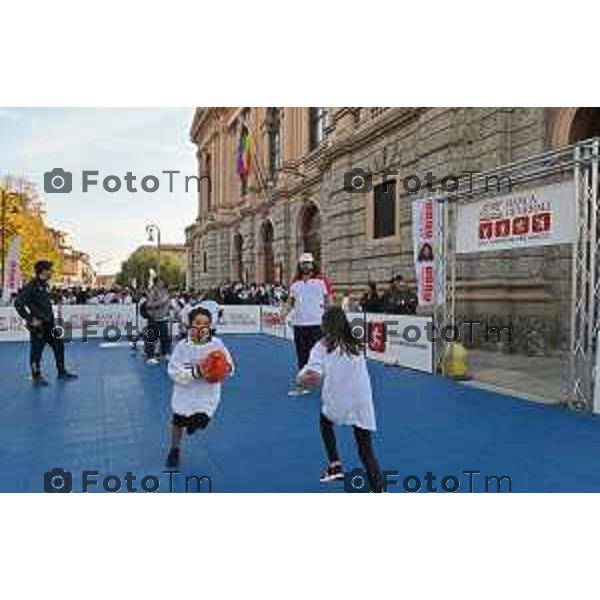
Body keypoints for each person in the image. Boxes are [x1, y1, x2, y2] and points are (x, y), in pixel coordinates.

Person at [297, 306, 383, 492]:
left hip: (339, 400)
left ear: (325, 325)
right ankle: (380, 490)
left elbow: (313, 375)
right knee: (365, 450)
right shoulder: (355, 343)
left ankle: (335, 464)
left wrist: (300, 378)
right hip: (362, 401)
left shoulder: (322, 346)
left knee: (325, 421)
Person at [165, 306, 235, 467]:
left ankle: (193, 423)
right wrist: (197, 371)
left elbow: (230, 364)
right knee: (178, 421)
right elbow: (174, 371)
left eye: (206, 323)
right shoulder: (182, 346)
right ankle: (174, 449)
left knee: (201, 422)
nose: (202, 327)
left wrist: (223, 368)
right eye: (197, 322)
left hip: (207, 393)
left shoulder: (217, 344)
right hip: (185, 392)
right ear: (190, 325)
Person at [14, 260, 78, 386]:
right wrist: (30, 319)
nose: (51, 272)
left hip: (49, 324)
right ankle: (36, 377)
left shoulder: (45, 285)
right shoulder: (31, 285)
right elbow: (18, 303)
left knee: (59, 345)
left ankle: (61, 372)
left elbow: (42, 302)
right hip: (38, 326)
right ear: (43, 271)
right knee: (36, 352)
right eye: (49, 269)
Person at [283, 252, 333, 396]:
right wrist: (281, 315)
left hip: (317, 324)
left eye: (308, 262)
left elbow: (328, 300)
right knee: (302, 356)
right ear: (300, 265)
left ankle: (330, 384)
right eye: (304, 263)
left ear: (313, 264)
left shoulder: (322, 280)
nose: (306, 265)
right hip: (299, 325)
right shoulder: (295, 283)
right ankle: (303, 386)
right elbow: (290, 303)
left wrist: (330, 320)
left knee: (321, 356)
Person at [144, 278, 172, 364]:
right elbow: (148, 305)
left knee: (164, 337)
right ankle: (150, 356)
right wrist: (161, 302)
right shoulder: (152, 292)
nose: (163, 282)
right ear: (157, 283)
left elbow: (168, 303)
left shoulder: (165, 292)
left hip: (163, 318)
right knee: (152, 337)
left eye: (162, 281)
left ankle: (165, 353)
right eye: (161, 281)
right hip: (154, 318)